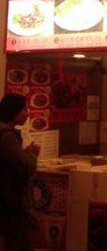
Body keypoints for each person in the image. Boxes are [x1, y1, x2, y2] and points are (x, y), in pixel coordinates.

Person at [0, 93, 40, 251]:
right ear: (13, 112)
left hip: (5, 202)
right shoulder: (7, 137)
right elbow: (26, 167)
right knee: (20, 244)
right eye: (24, 109)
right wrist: (32, 153)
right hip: (13, 203)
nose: (27, 114)